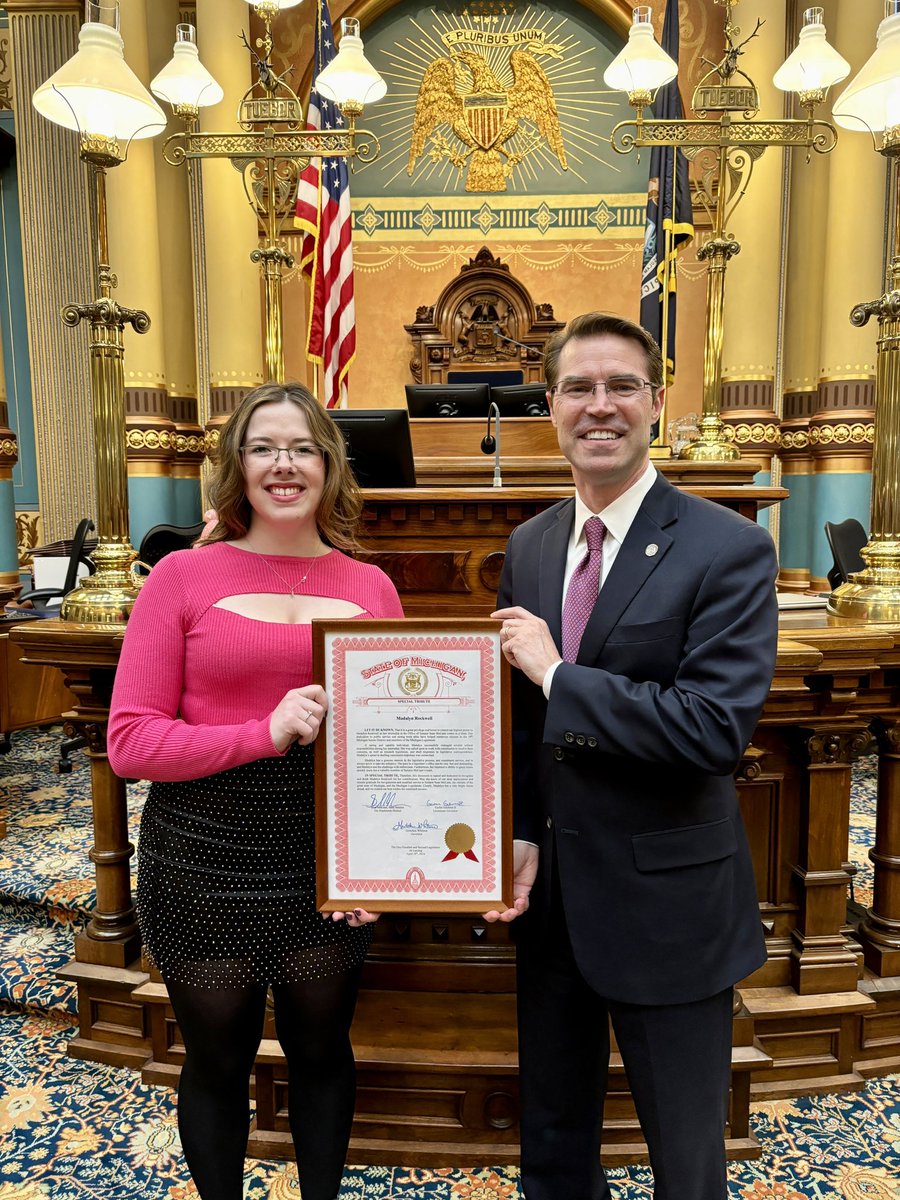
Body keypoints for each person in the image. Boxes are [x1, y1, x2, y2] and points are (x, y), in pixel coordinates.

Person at [487, 312, 778, 1200]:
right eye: (579, 388)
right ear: (551, 406)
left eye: (621, 387)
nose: (599, 406)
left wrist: (559, 673)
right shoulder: (531, 544)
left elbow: (709, 729)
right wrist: (525, 828)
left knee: (686, 1160)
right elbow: (522, 724)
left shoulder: (728, 546)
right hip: (555, 902)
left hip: (669, 902)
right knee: (554, 1138)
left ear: (656, 401)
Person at [107, 382, 403, 1200]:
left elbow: (390, 749)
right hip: (204, 858)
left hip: (321, 865)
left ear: (330, 467)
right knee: (217, 1061)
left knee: (321, 1054)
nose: (284, 464)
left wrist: (374, 863)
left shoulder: (369, 588)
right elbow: (130, 743)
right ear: (236, 465)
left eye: (303, 448)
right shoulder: (180, 578)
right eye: (264, 446)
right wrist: (262, 734)